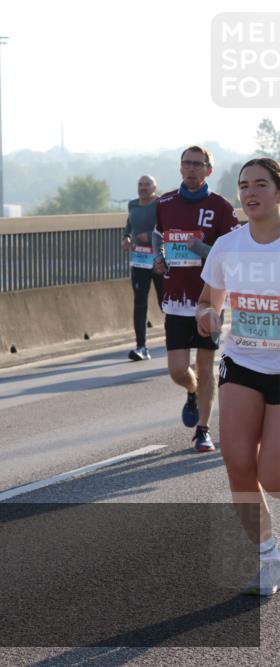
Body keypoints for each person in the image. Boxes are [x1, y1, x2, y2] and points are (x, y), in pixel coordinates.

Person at [196, 157, 280, 596]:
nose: (250, 192)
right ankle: (269, 558)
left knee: (273, 475)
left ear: (278, 191)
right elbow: (206, 301)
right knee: (238, 464)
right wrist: (207, 315)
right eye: (245, 185)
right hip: (242, 363)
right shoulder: (228, 246)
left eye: (261, 184)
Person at [152, 145, 241, 452]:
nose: (191, 168)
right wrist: (159, 257)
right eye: (186, 163)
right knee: (178, 369)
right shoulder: (165, 203)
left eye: (197, 164)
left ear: (208, 170)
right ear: (180, 168)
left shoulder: (221, 206)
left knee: (205, 365)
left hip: (210, 297)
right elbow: (158, 236)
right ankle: (191, 391)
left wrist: (201, 249)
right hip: (177, 298)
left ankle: (203, 430)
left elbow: (232, 252)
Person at [121, 174, 163, 360]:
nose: (143, 188)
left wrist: (149, 234)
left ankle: (178, 338)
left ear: (154, 187)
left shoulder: (161, 205)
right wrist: (126, 238)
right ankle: (141, 347)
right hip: (139, 260)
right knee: (139, 303)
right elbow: (129, 226)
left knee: (165, 302)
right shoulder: (132, 205)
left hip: (159, 260)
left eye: (147, 184)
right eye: (140, 184)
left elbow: (168, 227)